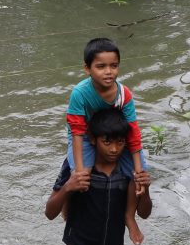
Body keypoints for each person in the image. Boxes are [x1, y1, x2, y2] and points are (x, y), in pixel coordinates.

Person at [45, 108, 145, 245]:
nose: (114, 149)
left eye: (120, 142)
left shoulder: (128, 169)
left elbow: (145, 212)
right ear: (93, 139)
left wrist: (145, 188)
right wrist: (68, 187)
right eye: (107, 142)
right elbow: (49, 213)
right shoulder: (76, 168)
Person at [64, 37, 150, 196]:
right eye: (101, 66)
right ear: (87, 68)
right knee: (81, 177)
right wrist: (80, 170)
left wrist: (138, 169)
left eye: (114, 66)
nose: (109, 71)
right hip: (85, 136)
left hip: (115, 135)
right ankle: (66, 206)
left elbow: (133, 131)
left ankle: (130, 211)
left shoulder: (124, 94)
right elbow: (77, 131)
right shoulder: (79, 93)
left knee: (139, 175)